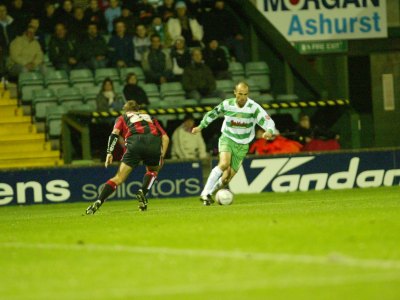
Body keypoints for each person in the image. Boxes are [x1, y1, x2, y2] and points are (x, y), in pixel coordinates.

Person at [192, 81, 275, 205]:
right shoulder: (227, 104)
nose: (242, 98)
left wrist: (269, 131)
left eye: (245, 94)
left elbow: (267, 120)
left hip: (243, 145)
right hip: (228, 138)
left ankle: (210, 194)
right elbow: (213, 113)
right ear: (235, 92)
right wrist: (201, 126)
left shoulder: (253, 107)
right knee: (224, 163)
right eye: (240, 94)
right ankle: (205, 193)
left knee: (226, 179)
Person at [85, 100, 169, 214]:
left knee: (119, 178)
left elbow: (114, 134)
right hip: (153, 143)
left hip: (135, 143)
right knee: (154, 170)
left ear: (126, 110)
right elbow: (165, 138)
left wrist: (109, 152)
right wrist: (161, 155)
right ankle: (142, 192)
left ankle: (99, 201)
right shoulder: (150, 118)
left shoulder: (122, 117)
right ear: (138, 110)